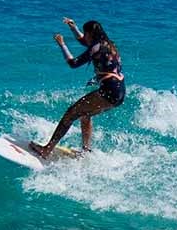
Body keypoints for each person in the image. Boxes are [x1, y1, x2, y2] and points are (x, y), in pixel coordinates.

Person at [29, 17, 125, 158]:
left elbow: (73, 63)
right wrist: (73, 27)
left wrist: (62, 44)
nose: (84, 37)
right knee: (85, 115)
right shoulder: (110, 45)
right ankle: (86, 151)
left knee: (71, 113)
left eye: (86, 34)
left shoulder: (96, 47)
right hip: (120, 91)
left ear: (90, 34)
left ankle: (47, 149)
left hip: (108, 91)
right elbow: (85, 42)